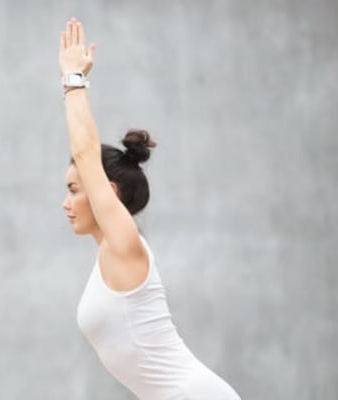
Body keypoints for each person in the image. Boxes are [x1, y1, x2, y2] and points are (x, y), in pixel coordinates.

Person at [58, 18, 241, 400]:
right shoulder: (110, 255)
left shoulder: (125, 243)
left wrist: (72, 78)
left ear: (104, 190)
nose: (66, 203)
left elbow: (85, 152)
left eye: (75, 189)